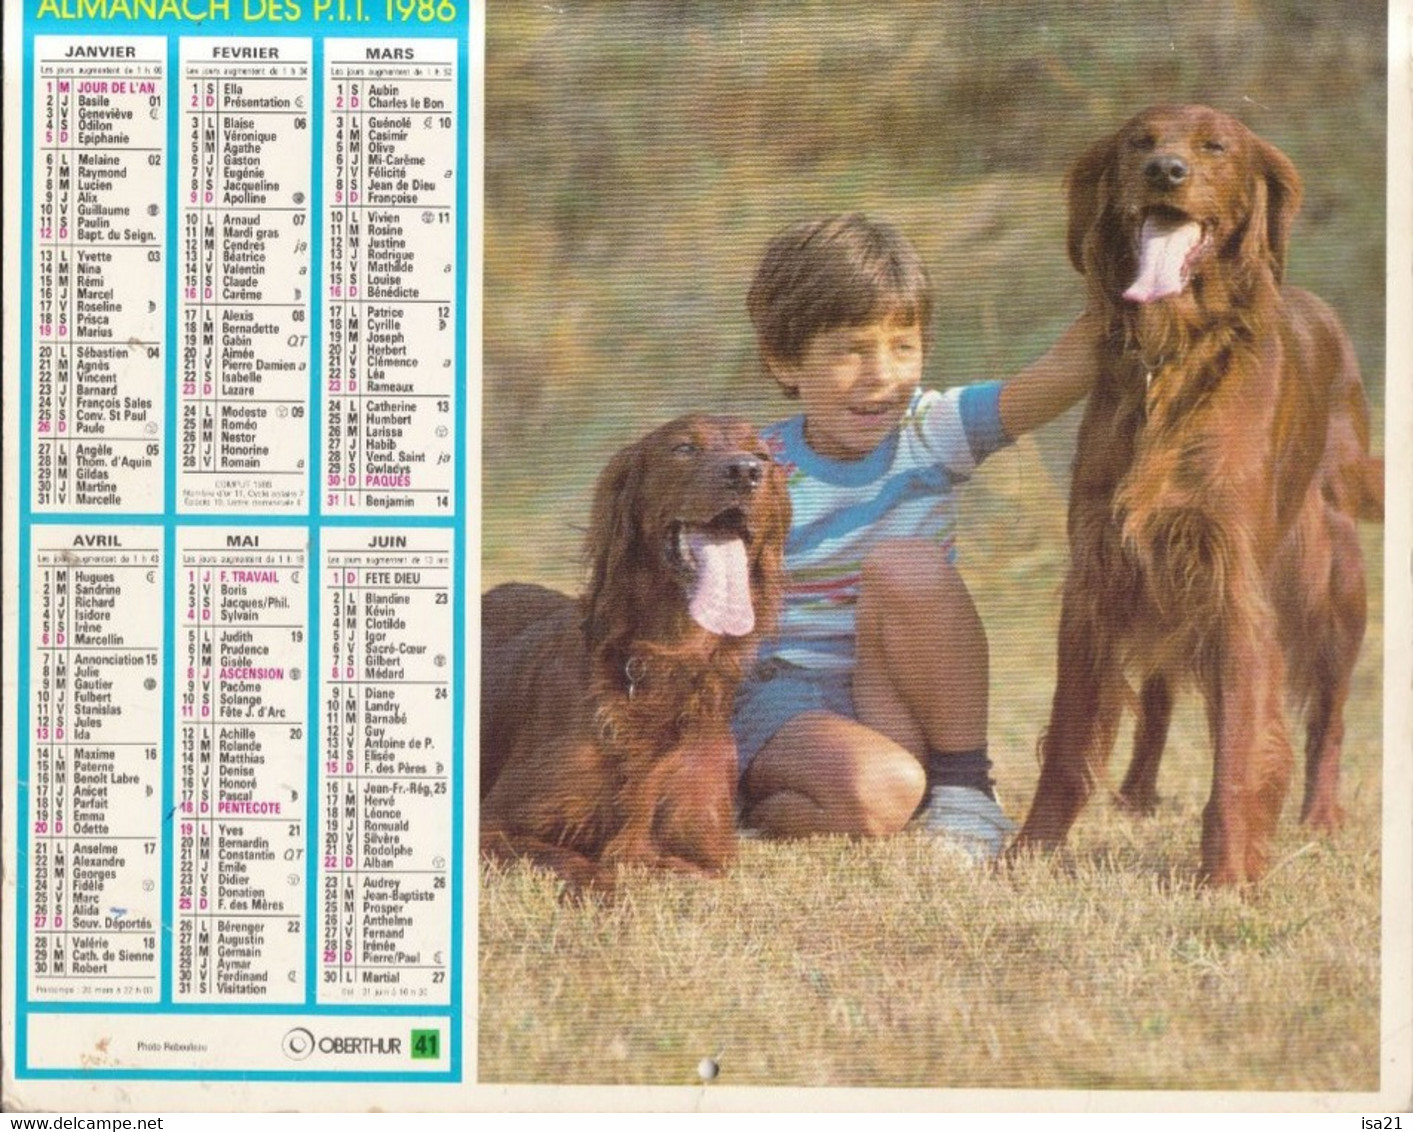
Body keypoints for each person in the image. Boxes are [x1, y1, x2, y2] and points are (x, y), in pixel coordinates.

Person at [732, 213, 1097, 859]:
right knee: (880, 794)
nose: (882, 374)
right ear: (784, 360)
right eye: (849, 349)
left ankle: (963, 793)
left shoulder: (935, 430)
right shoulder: (754, 469)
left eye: (903, 346)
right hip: (783, 696)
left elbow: (1063, 371)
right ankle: (741, 801)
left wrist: (1144, 278)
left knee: (908, 565)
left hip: (892, 692)